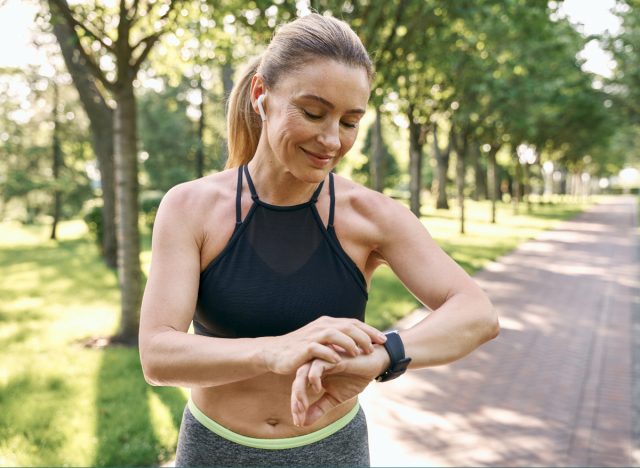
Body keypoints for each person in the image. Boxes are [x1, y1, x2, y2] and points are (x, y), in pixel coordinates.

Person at [138, 13, 499, 467]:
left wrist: (386, 355)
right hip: (215, 450)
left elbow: (477, 313)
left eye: (350, 122)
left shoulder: (372, 216)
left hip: (333, 451)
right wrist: (274, 351)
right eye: (312, 112)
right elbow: (158, 354)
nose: (332, 139)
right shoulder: (190, 208)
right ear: (261, 96)